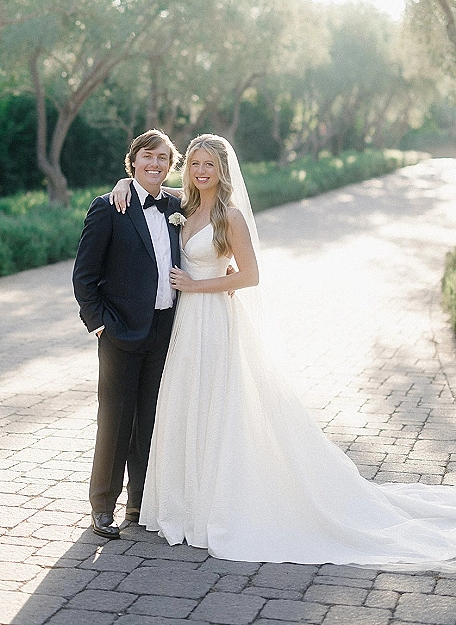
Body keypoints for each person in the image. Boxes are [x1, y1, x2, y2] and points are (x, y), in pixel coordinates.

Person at [111, 133, 456, 570]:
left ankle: (221, 504)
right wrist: (121, 185)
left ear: (222, 171)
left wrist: (199, 285)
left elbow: (250, 276)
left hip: (214, 320)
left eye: (209, 166)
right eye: (194, 164)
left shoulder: (228, 216)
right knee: (187, 406)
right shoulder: (184, 207)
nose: (200, 171)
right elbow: (147, 184)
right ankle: (187, 501)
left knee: (218, 407)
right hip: (185, 326)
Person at [72, 129, 182, 540]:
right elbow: (84, 277)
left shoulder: (176, 205)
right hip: (118, 331)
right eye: (147, 157)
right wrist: (99, 323)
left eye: (162, 159)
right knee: (115, 420)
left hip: (166, 329)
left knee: (151, 417)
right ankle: (103, 506)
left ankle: (140, 502)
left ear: (170, 165)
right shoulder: (108, 207)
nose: (154, 165)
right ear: (133, 161)